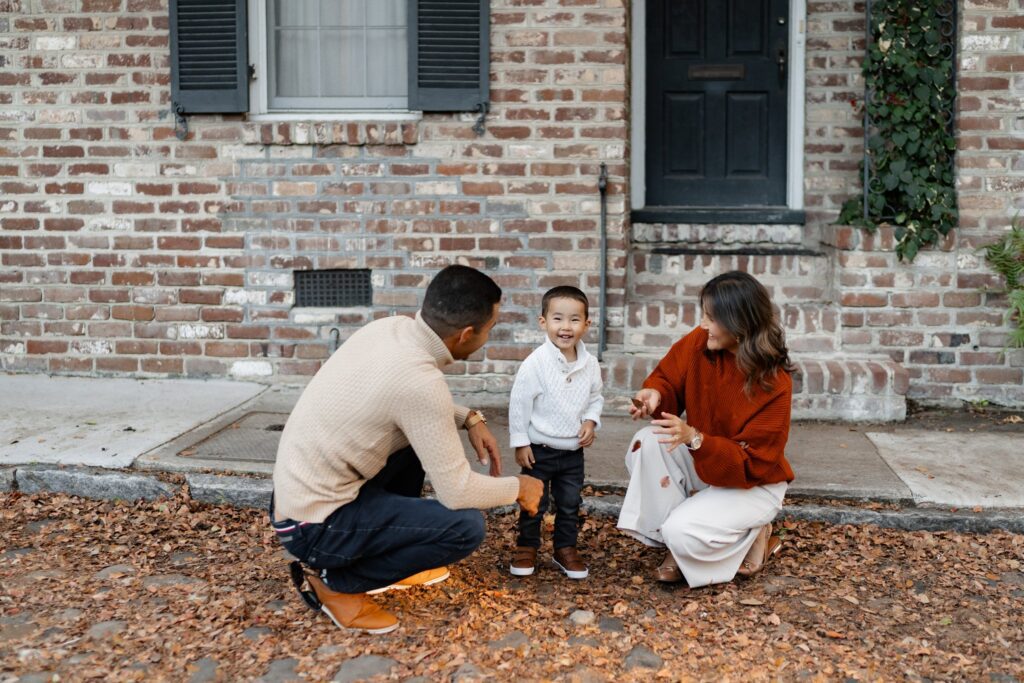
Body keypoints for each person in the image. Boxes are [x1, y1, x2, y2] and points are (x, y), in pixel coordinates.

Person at [271, 265, 543, 634]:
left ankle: (387, 554)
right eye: (490, 329)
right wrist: (520, 487)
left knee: (422, 440)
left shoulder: (389, 329)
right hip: (313, 527)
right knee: (465, 527)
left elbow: (397, 400)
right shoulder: (421, 382)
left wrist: (467, 417)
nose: (489, 336)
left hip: (292, 501)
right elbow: (458, 491)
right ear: (466, 335)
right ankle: (338, 583)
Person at [617, 271, 795, 588]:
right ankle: (678, 547)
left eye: (711, 318)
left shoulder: (775, 385)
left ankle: (754, 532)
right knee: (647, 441)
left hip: (753, 483)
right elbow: (667, 379)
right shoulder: (700, 343)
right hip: (709, 462)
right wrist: (654, 395)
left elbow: (750, 465)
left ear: (740, 325)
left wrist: (695, 439)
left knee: (680, 531)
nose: (702, 325)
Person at [507, 286, 604, 580]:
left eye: (575, 320)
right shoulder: (535, 363)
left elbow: (596, 397)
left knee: (570, 503)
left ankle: (565, 548)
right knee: (533, 500)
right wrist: (520, 442)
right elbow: (519, 404)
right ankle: (527, 546)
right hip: (539, 449)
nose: (566, 327)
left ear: (586, 324)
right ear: (543, 322)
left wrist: (591, 420)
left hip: (573, 451)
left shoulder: (589, 364)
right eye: (558, 319)